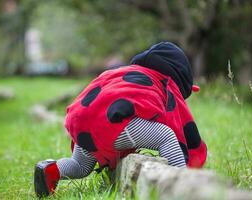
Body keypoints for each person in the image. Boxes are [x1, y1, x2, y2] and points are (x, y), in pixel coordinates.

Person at [34, 42, 207, 198]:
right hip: (113, 121)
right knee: (167, 136)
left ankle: (51, 170)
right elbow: (183, 126)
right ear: (180, 77)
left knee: (80, 166)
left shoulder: (125, 72)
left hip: (82, 119)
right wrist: (193, 158)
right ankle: (181, 184)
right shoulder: (166, 82)